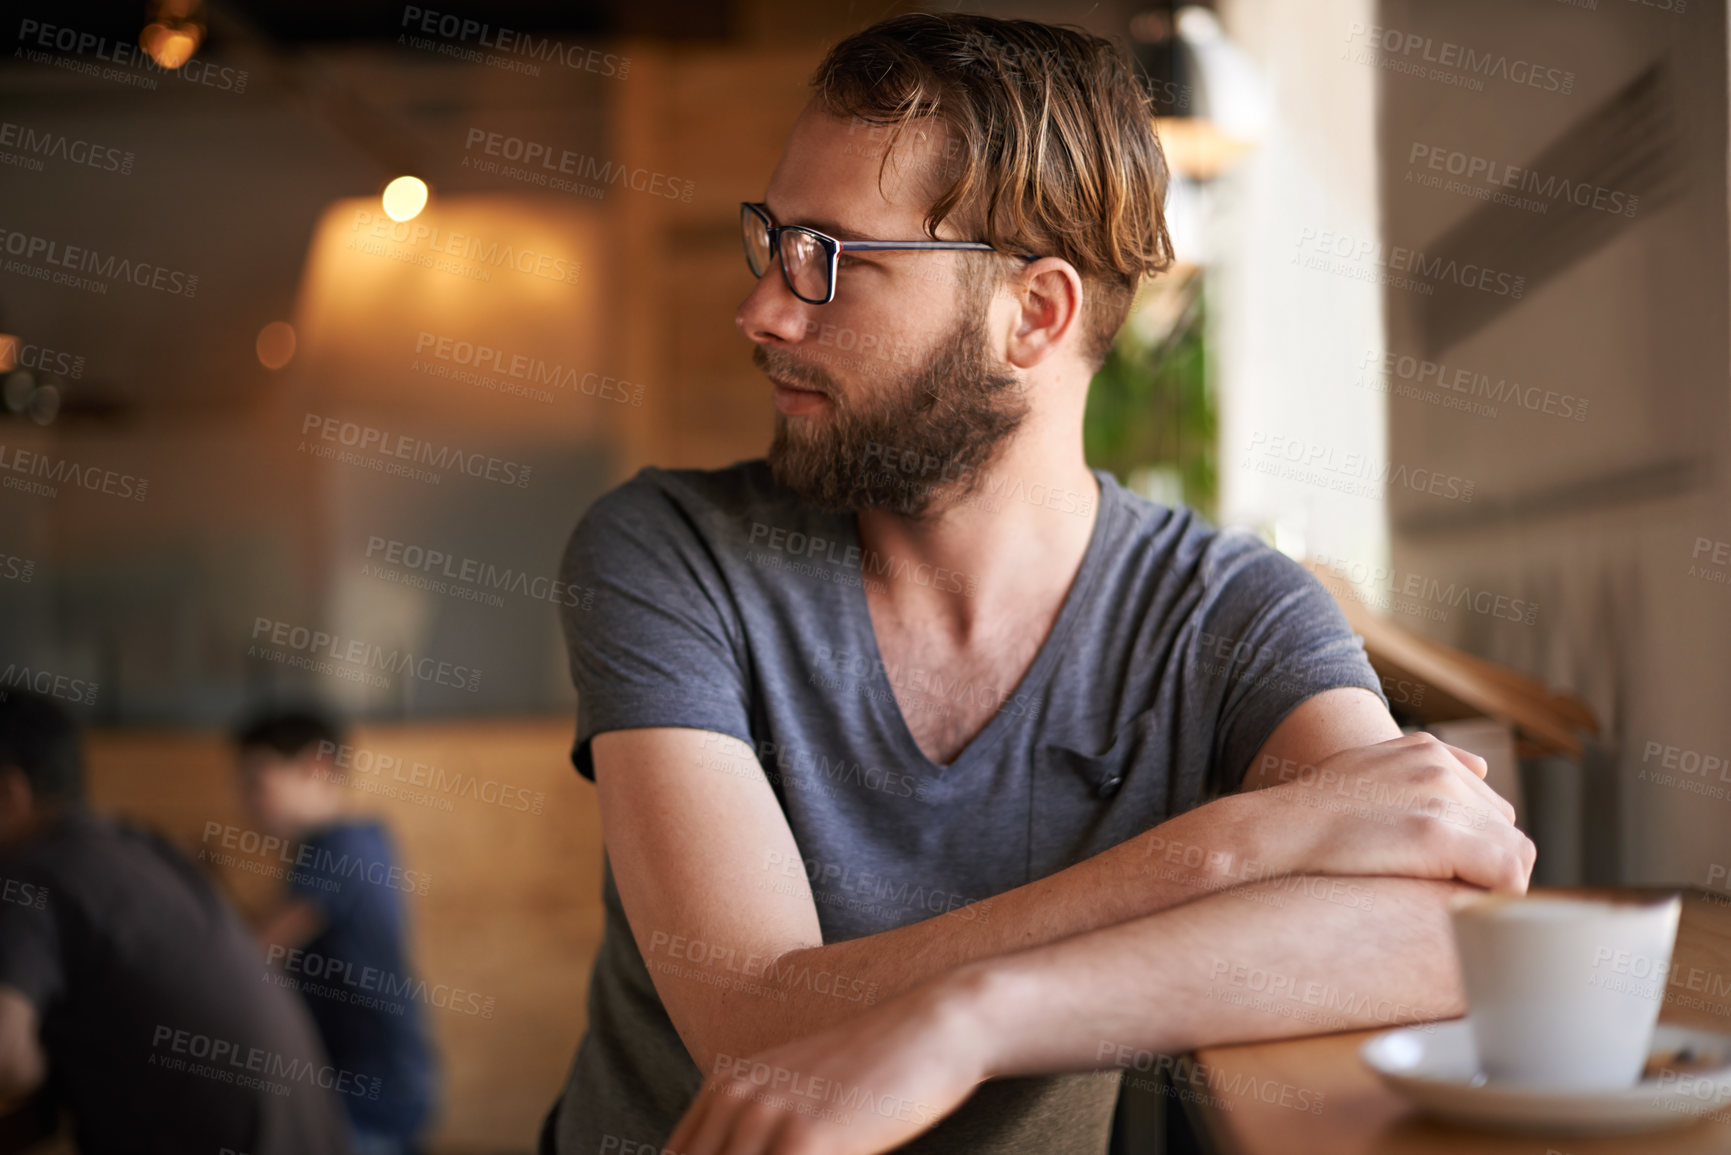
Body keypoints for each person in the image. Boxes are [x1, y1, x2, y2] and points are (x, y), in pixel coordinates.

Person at [541, 13, 1536, 1155]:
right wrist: (1243, 844)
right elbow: (755, 1023)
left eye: (832, 259)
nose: (763, 307)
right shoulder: (671, 551)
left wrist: (978, 1018)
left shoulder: (1228, 613)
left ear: (1035, 313)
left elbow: (1444, 928)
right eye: (773, 241)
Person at [0, 690, 354, 1154]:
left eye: (256, 782)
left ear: (9, 794)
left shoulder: (33, 875)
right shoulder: (142, 847)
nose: (245, 800)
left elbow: (8, 1060)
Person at [232, 708, 438, 1155]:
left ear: (316, 766)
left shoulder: (342, 846)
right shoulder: (349, 844)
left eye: (257, 782)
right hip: (371, 1080)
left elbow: (258, 949)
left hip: (370, 1086)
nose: (247, 801)